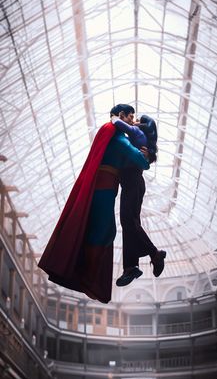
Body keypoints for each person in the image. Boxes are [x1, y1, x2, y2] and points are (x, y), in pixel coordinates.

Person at [38, 119, 150, 304]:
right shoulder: (117, 136)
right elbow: (140, 160)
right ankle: (88, 275)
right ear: (121, 115)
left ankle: (88, 274)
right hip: (105, 187)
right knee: (104, 230)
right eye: (130, 116)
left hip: (106, 187)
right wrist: (144, 157)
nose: (132, 121)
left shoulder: (110, 135)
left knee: (105, 230)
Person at [110, 104, 166, 287]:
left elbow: (118, 123)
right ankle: (130, 267)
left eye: (135, 118)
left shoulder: (134, 131)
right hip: (132, 182)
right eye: (132, 116)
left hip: (133, 180)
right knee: (129, 223)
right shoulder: (136, 135)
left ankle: (154, 254)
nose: (133, 120)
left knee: (128, 221)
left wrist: (115, 118)